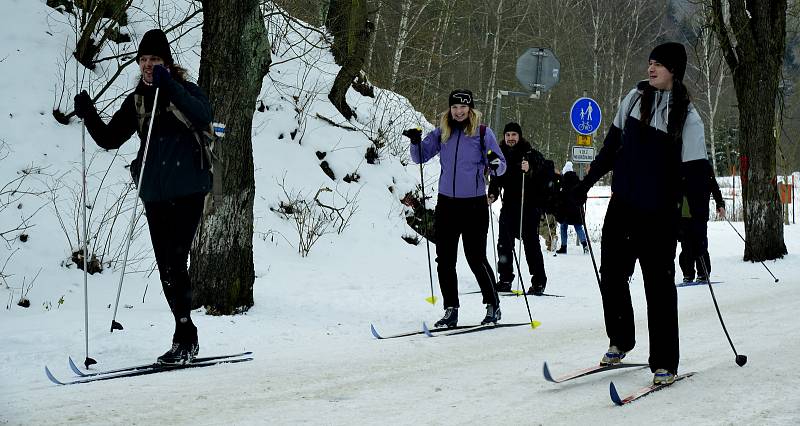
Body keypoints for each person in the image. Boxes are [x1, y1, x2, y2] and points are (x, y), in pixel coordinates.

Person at [74, 29, 212, 364]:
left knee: (176, 263)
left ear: (167, 61)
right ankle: (186, 334)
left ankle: (184, 339)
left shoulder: (184, 91)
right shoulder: (136, 100)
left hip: (189, 189)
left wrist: (170, 87)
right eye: (144, 59)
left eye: (155, 59)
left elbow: (202, 115)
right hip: (154, 193)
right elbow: (109, 138)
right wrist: (88, 113)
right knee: (166, 268)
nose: (148, 65)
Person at [572, 42, 707, 385]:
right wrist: (585, 184)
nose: (651, 69)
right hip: (623, 206)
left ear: (674, 70)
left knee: (658, 287)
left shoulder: (688, 118)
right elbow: (609, 149)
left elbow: (696, 179)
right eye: (650, 62)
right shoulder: (632, 99)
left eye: (659, 64)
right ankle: (621, 339)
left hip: (660, 215)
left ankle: (664, 362)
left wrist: (697, 233)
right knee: (612, 274)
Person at [405, 89, 507, 327]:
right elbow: (420, 156)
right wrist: (414, 141)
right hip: (447, 204)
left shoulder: (483, 133)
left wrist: (494, 163)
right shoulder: (443, 132)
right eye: (454, 107)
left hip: (473, 205)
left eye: (463, 107)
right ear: (449, 109)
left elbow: (500, 165)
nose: (458, 112)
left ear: (470, 109)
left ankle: (493, 305)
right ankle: (451, 309)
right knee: (445, 259)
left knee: (475, 258)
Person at [487, 122, 553, 295]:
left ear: (519, 136)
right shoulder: (499, 155)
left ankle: (538, 282)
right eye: (507, 135)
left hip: (529, 207)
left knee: (531, 246)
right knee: (504, 244)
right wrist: (492, 195)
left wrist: (530, 168)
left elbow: (545, 171)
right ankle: (505, 279)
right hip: (508, 206)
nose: (510, 138)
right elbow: (496, 179)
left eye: (513, 135)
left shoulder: (529, 153)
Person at [678, 159, 725, 283]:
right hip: (684, 213)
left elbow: (713, 185)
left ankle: (703, 273)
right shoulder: (680, 163)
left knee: (700, 242)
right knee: (686, 244)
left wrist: (720, 203)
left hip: (700, 211)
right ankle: (688, 274)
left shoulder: (704, 165)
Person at [555, 161, 588, 254]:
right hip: (576, 209)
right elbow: (583, 193)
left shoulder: (562, 180)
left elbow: (559, 195)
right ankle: (585, 245)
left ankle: (564, 247)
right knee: (578, 227)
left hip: (565, 209)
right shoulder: (577, 180)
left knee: (563, 227)